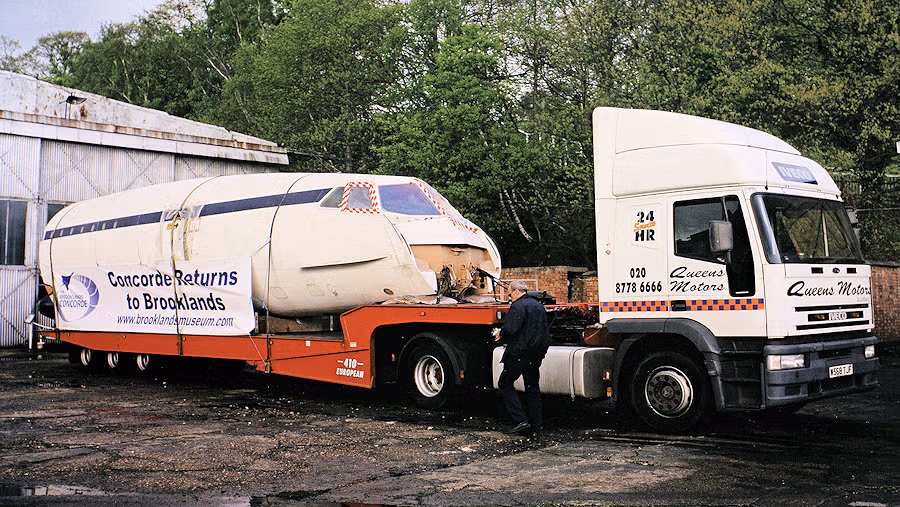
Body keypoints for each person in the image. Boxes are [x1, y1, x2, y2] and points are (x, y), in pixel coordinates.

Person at [495, 281, 550, 438]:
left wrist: (501, 332)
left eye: (510, 293)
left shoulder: (518, 306)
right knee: (532, 387)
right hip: (536, 353)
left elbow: (511, 329)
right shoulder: (538, 305)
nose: (509, 296)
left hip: (520, 353)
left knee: (505, 383)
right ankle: (535, 426)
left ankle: (520, 420)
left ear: (517, 291)